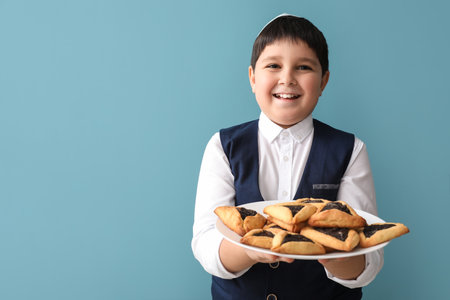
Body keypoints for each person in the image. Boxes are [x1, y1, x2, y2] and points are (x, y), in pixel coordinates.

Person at [192, 14, 383, 299]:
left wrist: (337, 255)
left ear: (323, 82)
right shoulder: (223, 146)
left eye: (303, 67)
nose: (287, 78)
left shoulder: (350, 150)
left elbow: (369, 257)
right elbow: (206, 242)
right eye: (273, 66)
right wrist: (251, 249)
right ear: (253, 78)